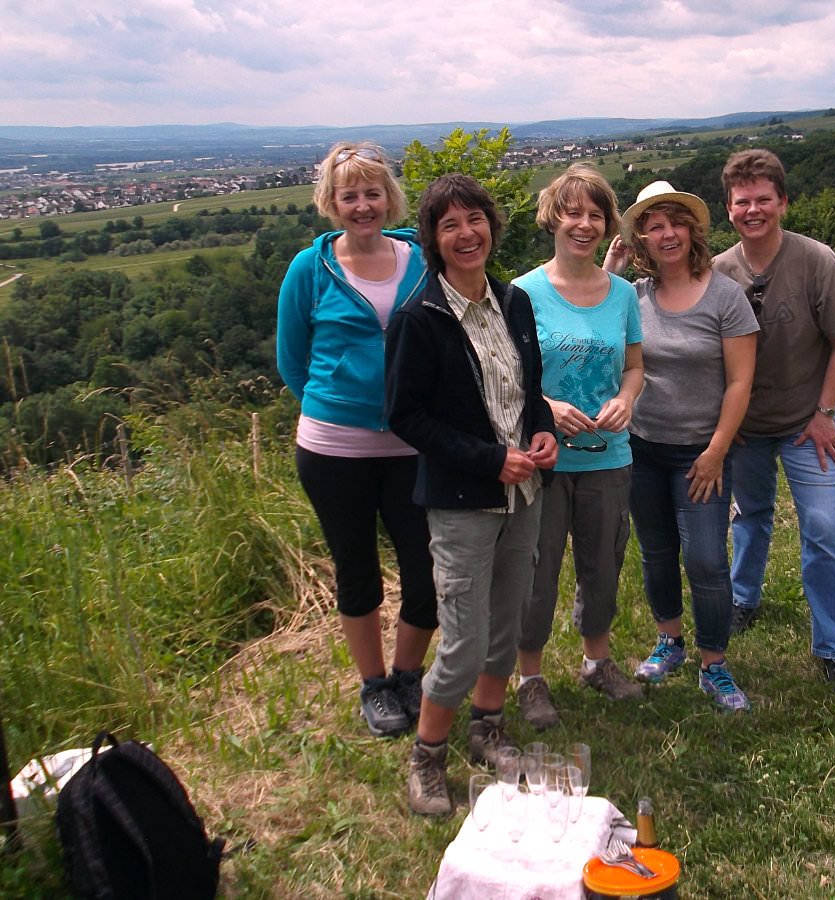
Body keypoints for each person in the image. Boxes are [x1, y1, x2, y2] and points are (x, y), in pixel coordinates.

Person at [385, 173, 558, 815]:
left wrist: (542, 435)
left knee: (505, 624)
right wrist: (491, 460)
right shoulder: (420, 319)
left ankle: (487, 726)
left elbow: (530, 391)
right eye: (449, 224)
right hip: (463, 501)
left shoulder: (513, 303)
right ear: (432, 238)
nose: (466, 233)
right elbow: (405, 416)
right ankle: (427, 756)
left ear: (492, 225)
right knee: (461, 640)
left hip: (525, 493)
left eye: (475, 219)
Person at [275, 141, 436, 739]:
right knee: (357, 568)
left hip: (414, 443)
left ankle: (408, 673)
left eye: (372, 193)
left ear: (388, 197)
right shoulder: (309, 269)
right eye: (350, 196)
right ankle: (375, 686)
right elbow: (293, 361)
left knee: (427, 571)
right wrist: (341, 402)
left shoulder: (420, 260)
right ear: (332, 203)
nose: (363, 205)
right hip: (333, 447)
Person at [713, 148, 835, 697]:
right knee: (749, 515)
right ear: (728, 209)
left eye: (763, 199)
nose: (753, 209)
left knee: (822, 527)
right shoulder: (719, 272)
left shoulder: (815, 260)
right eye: (742, 201)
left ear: (782, 202)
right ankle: (742, 600)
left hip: (807, 422)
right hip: (747, 427)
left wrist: (825, 413)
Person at [604, 181, 757, 712]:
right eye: (653, 224)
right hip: (642, 447)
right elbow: (586, 313)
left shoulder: (725, 296)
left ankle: (714, 664)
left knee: (708, 559)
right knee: (657, 550)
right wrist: (613, 264)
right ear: (641, 237)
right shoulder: (631, 297)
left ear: (692, 230)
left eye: (676, 222)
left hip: (702, 453)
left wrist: (717, 450)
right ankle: (670, 641)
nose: (667, 233)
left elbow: (740, 382)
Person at [512, 163, 645, 731]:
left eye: (595, 214)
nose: (583, 224)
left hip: (609, 457)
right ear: (553, 219)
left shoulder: (622, 294)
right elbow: (508, 375)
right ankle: (530, 680)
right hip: (542, 462)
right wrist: (546, 406)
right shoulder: (522, 292)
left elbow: (635, 366)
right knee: (536, 572)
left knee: (602, 564)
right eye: (572, 213)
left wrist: (627, 399)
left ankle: (597, 663)